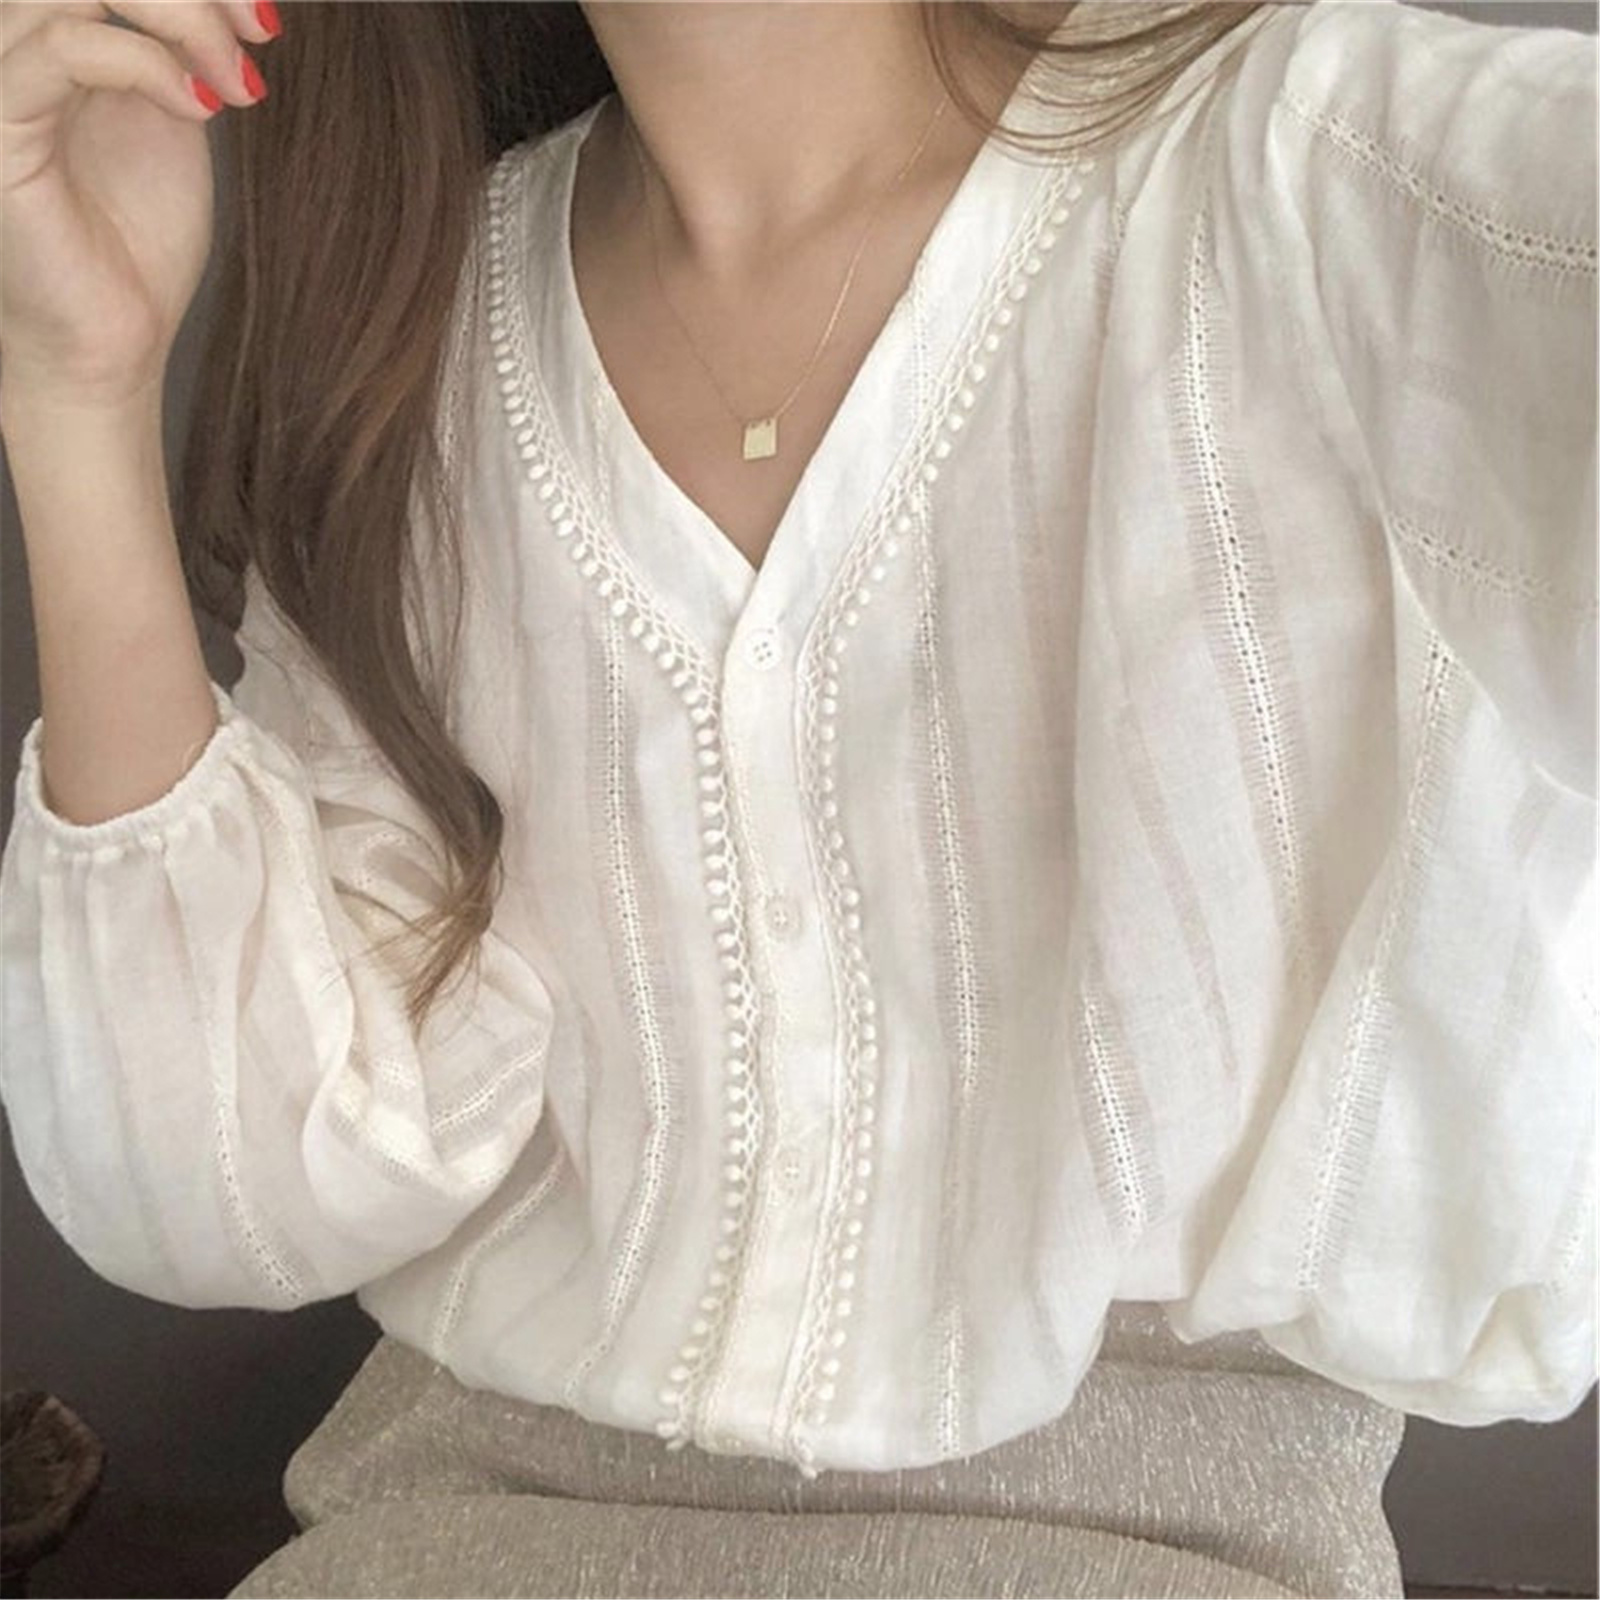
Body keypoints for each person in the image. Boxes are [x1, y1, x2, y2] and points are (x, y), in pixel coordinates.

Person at [0, 1, 1593, 1595]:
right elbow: (230, 1198)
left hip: (1153, 1543)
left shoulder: (1313, 169)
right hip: (441, 1532)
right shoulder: (408, 351)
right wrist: (75, 391)